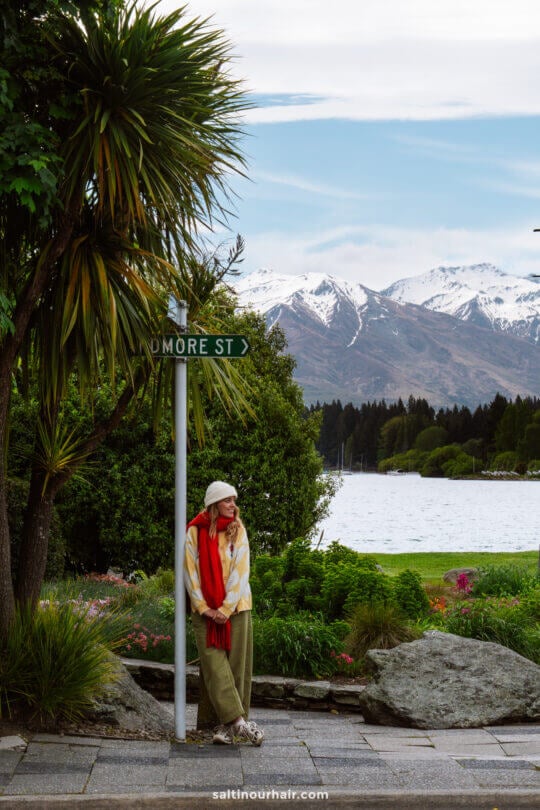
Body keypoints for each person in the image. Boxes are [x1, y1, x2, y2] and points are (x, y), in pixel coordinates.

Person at [184, 480, 264, 746]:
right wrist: (205, 607)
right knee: (214, 667)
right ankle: (239, 724)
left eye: (234, 500)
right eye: (228, 500)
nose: (234, 505)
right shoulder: (195, 532)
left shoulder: (237, 530)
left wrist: (226, 608)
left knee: (236, 667)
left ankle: (224, 727)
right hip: (204, 611)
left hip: (237, 607)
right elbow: (189, 572)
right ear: (214, 503)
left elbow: (242, 570)